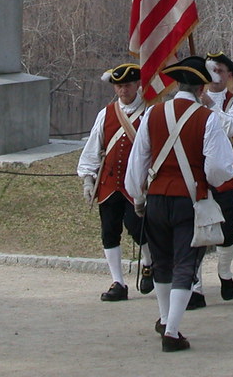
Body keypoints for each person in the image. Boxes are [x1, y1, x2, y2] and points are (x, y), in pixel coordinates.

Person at [124, 56, 233, 352]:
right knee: (186, 264)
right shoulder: (207, 118)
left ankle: (164, 318)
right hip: (190, 201)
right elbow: (218, 169)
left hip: (157, 200)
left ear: (177, 85)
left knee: (162, 263)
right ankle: (172, 332)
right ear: (201, 89)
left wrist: (138, 196)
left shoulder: (152, 113)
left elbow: (139, 160)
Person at [76, 63, 154, 301]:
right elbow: (93, 148)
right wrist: (88, 180)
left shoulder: (150, 111)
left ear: (137, 85)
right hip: (109, 183)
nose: (123, 91)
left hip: (137, 184)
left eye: (127, 85)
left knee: (138, 228)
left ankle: (150, 264)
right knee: (109, 231)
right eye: (119, 86)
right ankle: (118, 282)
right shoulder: (107, 113)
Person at [189, 52, 233, 307]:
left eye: (221, 71)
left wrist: (209, 106)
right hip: (196, 174)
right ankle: (196, 288)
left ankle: (225, 273)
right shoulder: (191, 100)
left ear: (229, 75)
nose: (216, 75)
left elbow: (232, 128)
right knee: (195, 232)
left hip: (223, 174)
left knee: (228, 230)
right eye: (212, 70)